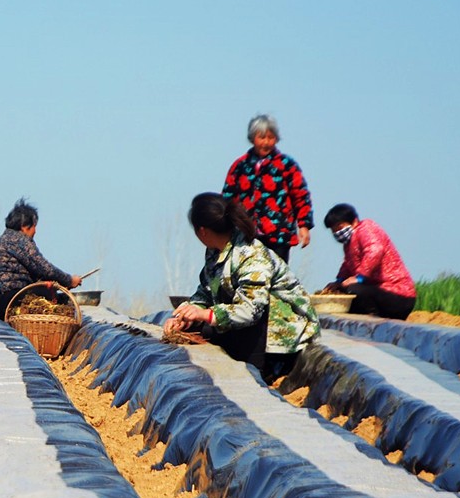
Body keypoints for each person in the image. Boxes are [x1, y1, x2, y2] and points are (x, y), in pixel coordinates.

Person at [165, 192, 319, 382]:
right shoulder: (215, 252)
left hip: (279, 334)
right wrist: (188, 314)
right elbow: (206, 291)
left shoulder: (251, 256)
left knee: (234, 324)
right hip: (243, 323)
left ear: (202, 231)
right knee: (195, 330)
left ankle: (260, 373)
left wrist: (205, 315)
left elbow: (250, 310)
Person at [222, 114, 313, 263]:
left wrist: (304, 225)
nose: (266, 142)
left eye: (271, 138)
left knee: (277, 274)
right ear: (252, 138)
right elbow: (228, 197)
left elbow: (300, 195)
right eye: (262, 137)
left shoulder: (286, 165)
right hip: (247, 232)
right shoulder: (240, 166)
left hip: (279, 233)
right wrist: (226, 226)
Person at [0, 198, 83, 320]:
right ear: (25, 227)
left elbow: (36, 272)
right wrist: (69, 280)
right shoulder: (19, 240)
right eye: (34, 226)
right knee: (47, 296)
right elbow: (44, 268)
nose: (35, 231)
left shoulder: (7, 238)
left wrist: (55, 283)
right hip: (1, 299)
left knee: (47, 291)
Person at [322, 203, 416, 320]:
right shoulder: (348, 244)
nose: (337, 233)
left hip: (398, 294)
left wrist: (360, 277)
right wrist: (339, 282)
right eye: (334, 231)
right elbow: (347, 265)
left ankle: (372, 319)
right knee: (342, 292)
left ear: (354, 222)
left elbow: (375, 250)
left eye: (340, 228)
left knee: (354, 290)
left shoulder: (366, 229)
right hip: (375, 291)